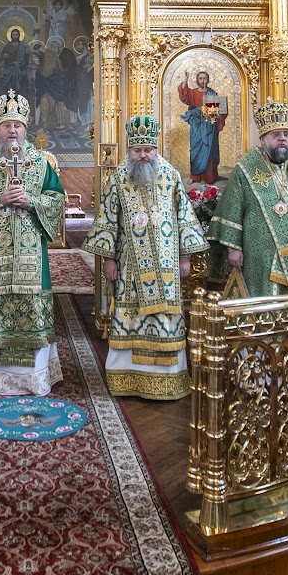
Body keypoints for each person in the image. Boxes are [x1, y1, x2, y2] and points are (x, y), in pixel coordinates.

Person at [83, 115, 208, 399]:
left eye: (147, 150)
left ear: (155, 150)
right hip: (129, 264)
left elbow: (185, 218)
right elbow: (107, 220)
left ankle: (168, 380)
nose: (142, 156)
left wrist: (185, 256)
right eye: (137, 150)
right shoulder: (118, 178)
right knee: (128, 316)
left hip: (166, 265)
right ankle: (127, 379)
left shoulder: (171, 175)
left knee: (166, 318)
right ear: (130, 151)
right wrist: (109, 259)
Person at [0, 90, 67, 396]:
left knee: (33, 305)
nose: (12, 131)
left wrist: (32, 200)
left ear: (26, 128)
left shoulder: (41, 163)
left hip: (31, 256)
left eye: (17, 125)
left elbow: (57, 200)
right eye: (6, 125)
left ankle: (33, 377)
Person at [211, 101, 288, 297]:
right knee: (267, 301)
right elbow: (233, 208)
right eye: (276, 135)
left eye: (287, 135)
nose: (282, 139)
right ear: (263, 139)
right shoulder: (245, 170)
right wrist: (234, 248)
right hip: (261, 253)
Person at [177, 69, 227, 185]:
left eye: (205, 78)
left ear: (208, 80)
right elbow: (183, 94)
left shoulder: (212, 93)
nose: (203, 80)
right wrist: (186, 78)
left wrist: (220, 114)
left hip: (210, 125)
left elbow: (218, 110)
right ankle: (194, 176)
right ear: (197, 80)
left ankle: (209, 178)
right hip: (197, 125)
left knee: (209, 149)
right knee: (195, 149)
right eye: (200, 78)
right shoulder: (193, 93)